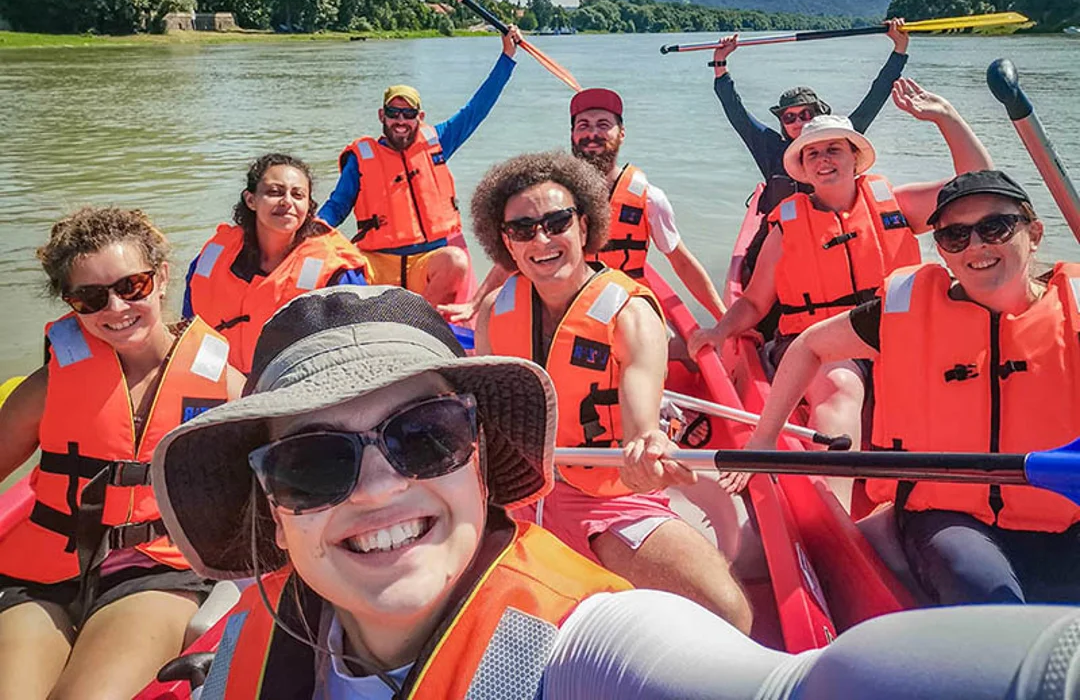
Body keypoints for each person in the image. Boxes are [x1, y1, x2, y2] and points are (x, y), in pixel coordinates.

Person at [151, 284, 758, 699]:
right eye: (312, 463)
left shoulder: (587, 653)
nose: (379, 488)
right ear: (275, 512)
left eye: (426, 435)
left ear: (481, 460)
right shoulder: (246, 647)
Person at [740, 170, 1080, 604]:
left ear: (1033, 234)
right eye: (955, 236)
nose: (976, 245)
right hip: (953, 518)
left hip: (1066, 516)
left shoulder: (1073, 313)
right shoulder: (906, 312)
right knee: (983, 589)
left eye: (995, 227)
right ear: (943, 251)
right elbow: (809, 345)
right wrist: (763, 439)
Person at [472, 151, 753, 634]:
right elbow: (486, 418)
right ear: (506, 242)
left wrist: (647, 445)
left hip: (604, 498)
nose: (541, 240)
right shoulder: (495, 310)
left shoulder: (631, 313)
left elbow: (642, 419)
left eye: (556, 222)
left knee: (728, 611)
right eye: (522, 229)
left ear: (584, 226)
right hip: (517, 495)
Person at [0, 206, 244, 700]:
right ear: (70, 303)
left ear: (161, 279)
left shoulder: (226, 386)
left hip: (158, 574)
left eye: (132, 286)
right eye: (90, 297)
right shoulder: (48, 387)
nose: (115, 307)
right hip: (43, 574)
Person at [689, 80, 993, 462]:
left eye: (833, 149)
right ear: (803, 167)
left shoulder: (897, 205)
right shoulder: (786, 227)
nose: (823, 159)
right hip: (817, 344)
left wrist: (946, 119)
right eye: (812, 153)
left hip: (896, 335)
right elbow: (754, 302)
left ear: (854, 157)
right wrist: (719, 331)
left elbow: (981, 185)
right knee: (840, 385)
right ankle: (833, 492)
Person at [442, 87, 727, 327]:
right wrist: (475, 303)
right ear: (572, 135)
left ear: (621, 133)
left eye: (603, 125)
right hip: (559, 303)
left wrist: (724, 319)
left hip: (621, 305)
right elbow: (518, 249)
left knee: (673, 347)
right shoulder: (551, 196)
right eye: (583, 126)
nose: (592, 134)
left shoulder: (650, 198)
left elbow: (681, 262)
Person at [318, 26, 522, 306]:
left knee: (456, 262)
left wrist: (507, 57)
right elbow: (336, 206)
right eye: (393, 113)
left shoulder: (439, 141)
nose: (400, 121)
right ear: (382, 116)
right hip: (378, 262)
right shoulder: (361, 157)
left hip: (429, 263)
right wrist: (310, 231)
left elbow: (477, 108)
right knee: (328, 266)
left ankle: (417, 317)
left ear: (420, 116)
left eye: (408, 113)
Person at [713, 19, 910, 284]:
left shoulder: (842, 136)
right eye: (789, 117)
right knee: (756, 267)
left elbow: (876, 96)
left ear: (818, 115)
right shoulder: (771, 147)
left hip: (832, 234)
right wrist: (720, 64)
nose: (798, 123)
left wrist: (899, 50)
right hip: (781, 237)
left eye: (805, 114)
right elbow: (736, 112)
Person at [185, 153, 371, 375]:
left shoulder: (336, 268)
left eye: (298, 195)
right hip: (216, 377)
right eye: (274, 192)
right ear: (251, 200)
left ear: (309, 205)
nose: (287, 202)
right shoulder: (212, 257)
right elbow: (188, 326)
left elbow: (359, 346)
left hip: (298, 383)